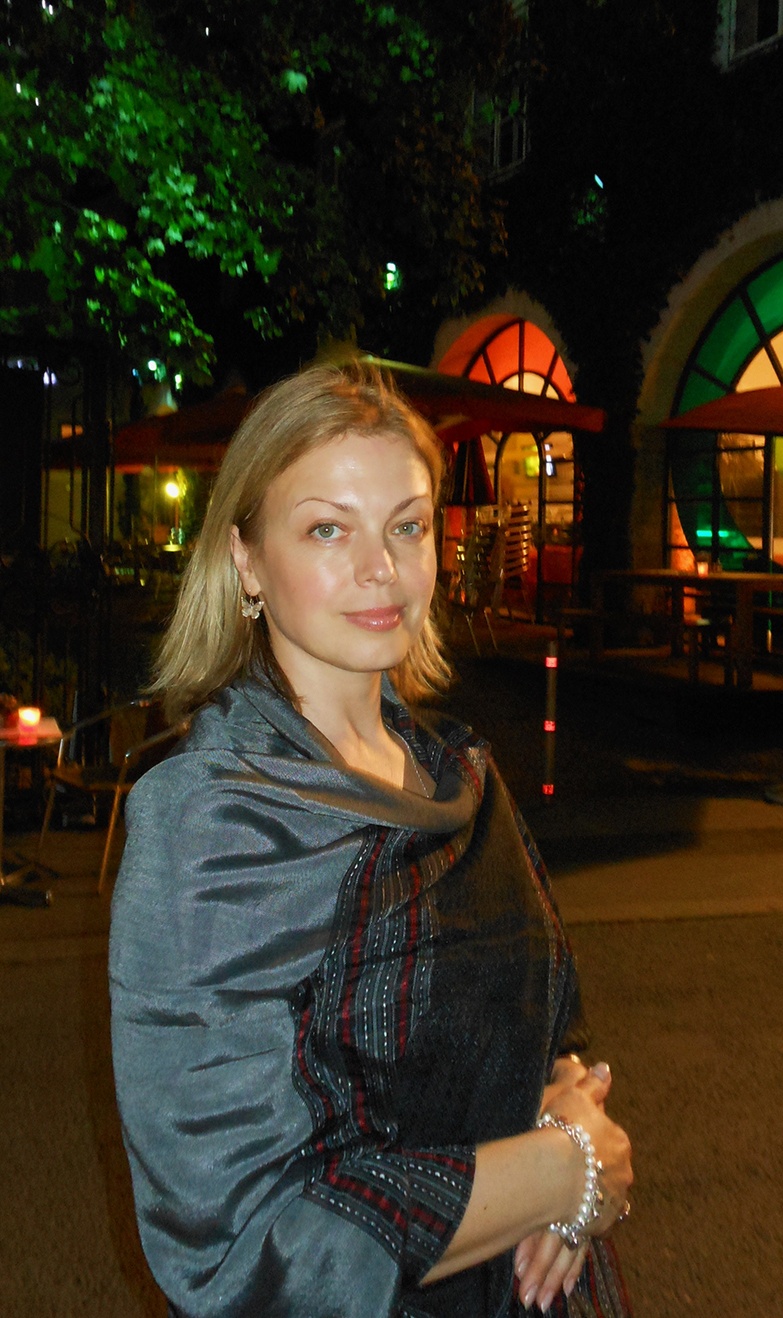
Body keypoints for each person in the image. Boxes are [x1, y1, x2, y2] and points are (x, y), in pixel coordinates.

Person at [109, 363, 633, 1318]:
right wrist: (563, 1172)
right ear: (246, 560)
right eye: (327, 529)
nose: (381, 567)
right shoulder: (211, 819)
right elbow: (242, 1245)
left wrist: (571, 1102)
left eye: (407, 526)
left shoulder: (462, 774)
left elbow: (550, 1026)